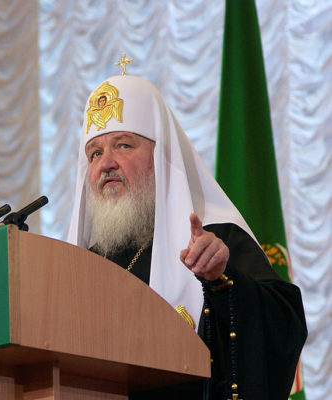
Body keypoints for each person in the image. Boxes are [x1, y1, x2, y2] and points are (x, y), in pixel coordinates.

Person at [67, 73, 307, 399]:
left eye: (124, 145)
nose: (106, 163)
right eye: (94, 153)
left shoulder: (215, 239)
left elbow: (284, 325)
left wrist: (223, 281)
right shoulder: (84, 264)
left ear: (162, 159)